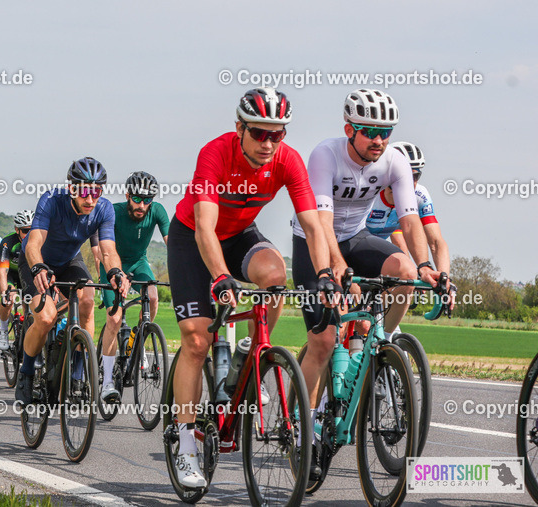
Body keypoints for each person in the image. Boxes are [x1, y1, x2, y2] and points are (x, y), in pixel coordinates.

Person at [168, 88, 331, 489]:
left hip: (240, 234)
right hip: (194, 238)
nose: (268, 143)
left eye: (277, 134)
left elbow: (313, 226)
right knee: (197, 341)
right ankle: (184, 443)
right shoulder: (215, 153)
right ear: (239, 128)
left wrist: (325, 274)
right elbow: (205, 226)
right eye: (259, 133)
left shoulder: (288, 160)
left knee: (275, 276)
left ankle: (254, 350)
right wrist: (220, 276)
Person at [293, 89, 445, 414]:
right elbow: (322, 222)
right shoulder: (326, 155)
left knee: (405, 272)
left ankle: (381, 342)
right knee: (323, 341)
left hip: (355, 236)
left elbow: (410, 221)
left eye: (385, 133)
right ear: (349, 129)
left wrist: (424, 265)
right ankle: (301, 426)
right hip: (313, 241)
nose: (379, 140)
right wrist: (335, 264)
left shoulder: (395, 161)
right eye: (370, 132)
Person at [15, 157, 129, 406]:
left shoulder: (104, 209)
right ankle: (26, 370)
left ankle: (77, 373)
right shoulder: (51, 200)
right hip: (36, 259)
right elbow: (34, 243)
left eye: (96, 192)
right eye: (84, 191)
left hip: (69, 260)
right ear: (71, 188)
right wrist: (38, 267)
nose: (90, 199)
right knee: (46, 318)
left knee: (87, 299)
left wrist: (116, 272)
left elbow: (108, 251)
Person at [96, 171, 170, 403]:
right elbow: (103, 248)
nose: (142, 205)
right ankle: (107, 381)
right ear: (127, 195)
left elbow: (172, 243)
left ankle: (138, 339)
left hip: (138, 262)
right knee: (115, 319)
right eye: (137, 198)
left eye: (147, 200)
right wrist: (115, 272)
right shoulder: (114, 211)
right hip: (113, 263)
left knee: (153, 297)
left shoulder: (157, 211)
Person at [366, 141, 450, 274]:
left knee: (407, 273)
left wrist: (444, 277)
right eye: (404, 176)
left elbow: (435, 242)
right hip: (348, 245)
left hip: (375, 248)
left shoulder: (420, 196)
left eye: (415, 176)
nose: (411, 182)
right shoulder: (371, 191)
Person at [0, 209, 33, 352]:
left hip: (26, 274)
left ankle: (28, 334)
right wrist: (5, 293)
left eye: (31, 230)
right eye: (25, 231)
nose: (29, 234)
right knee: (8, 299)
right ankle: (3, 331)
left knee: (30, 305)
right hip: (10, 273)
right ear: (17, 229)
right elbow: (2, 272)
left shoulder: (38, 241)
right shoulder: (8, 242)